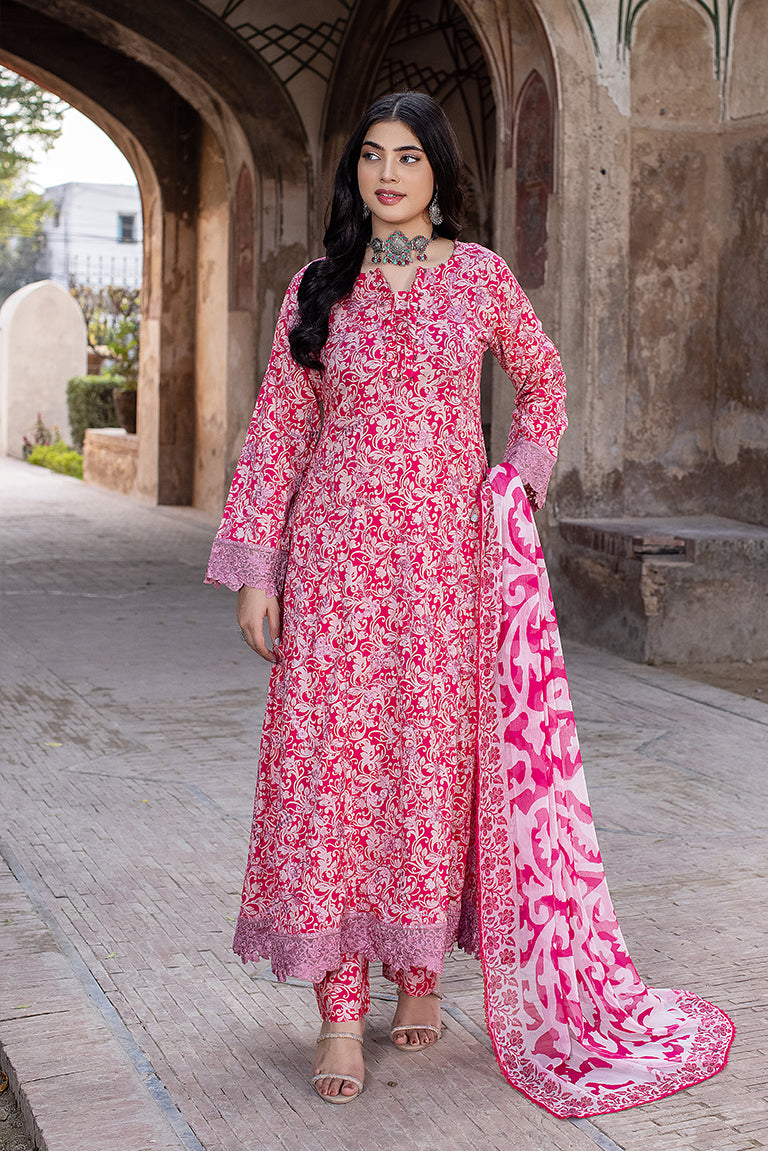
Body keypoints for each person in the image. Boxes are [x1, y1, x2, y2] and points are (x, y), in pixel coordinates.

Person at [206, 91, 733, 1114]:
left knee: (430, 769)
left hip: (449, 572)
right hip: (339, 570)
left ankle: (415, 975)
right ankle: (337, 1005)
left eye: (409, 156)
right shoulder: (318, 289)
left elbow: (547, 385)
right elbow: (277, 432)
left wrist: (517, 482)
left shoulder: (481, 279)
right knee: (334, 776)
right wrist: (258, 568)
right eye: (371, 155)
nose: (388, 173)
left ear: (440, 172)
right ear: (354, 172)